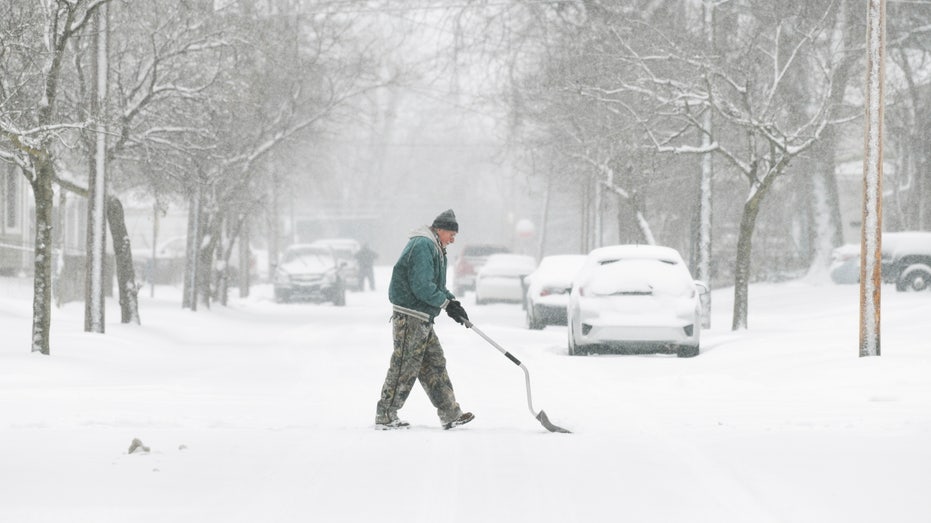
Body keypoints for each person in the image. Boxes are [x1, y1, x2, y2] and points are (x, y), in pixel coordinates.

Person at [374, 209, 474, 430]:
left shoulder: (435, 247)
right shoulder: (423, 245)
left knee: (434, 364)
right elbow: (421, 286)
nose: (453, 239)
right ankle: (386, 414)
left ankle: (450, 413)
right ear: (440, 229)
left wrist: (453, 304)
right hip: (411, 314)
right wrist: (445, 304)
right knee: (405, 365)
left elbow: (435, 286)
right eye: (451, 234)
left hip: (422, 316)